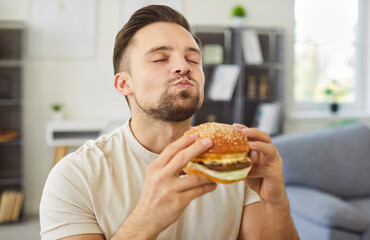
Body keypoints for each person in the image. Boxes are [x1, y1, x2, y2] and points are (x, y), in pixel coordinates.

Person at [40, 5, 299, 240]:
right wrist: (148, 219)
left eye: (193, 59)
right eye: (160, 58)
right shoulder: (74, 177)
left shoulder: (234, 165)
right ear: (124, 83)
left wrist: (275, 201)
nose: (182, 66)